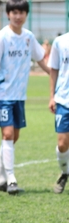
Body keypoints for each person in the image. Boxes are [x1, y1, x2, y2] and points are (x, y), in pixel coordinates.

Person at [0, 0, 49, 195]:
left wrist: (56, 75)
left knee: (12, 137)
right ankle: (11, 179)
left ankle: (0, 179)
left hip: (19, 96)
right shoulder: (2, 37)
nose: (18, 16)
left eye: (21, 12)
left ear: (26, 14)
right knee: (8, 134)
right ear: (8, 14)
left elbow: (41, 60)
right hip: (2, 95)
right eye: (14, 12)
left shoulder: (28, 37)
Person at [48, 31, 69, 193]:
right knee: (62, 144)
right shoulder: (60, 41)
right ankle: (65, 172)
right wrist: (52, 97)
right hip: (63, 99)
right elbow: (54, 69)